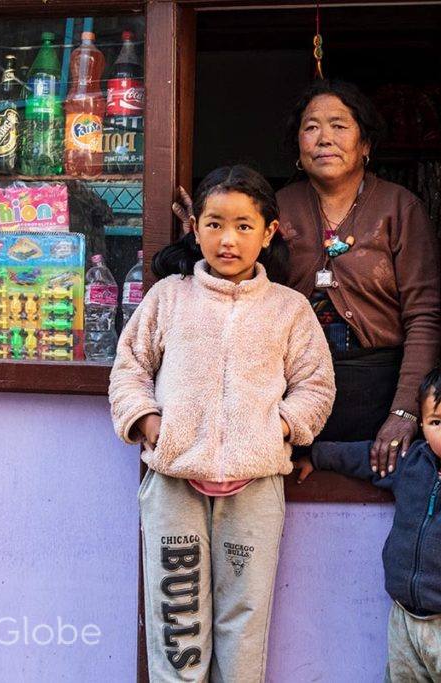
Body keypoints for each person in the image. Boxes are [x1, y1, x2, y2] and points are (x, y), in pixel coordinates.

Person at [110, 165, 335, 681]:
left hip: (254, 487)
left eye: (243, 225)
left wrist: (275, 430)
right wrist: (149, 424)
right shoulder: (169, 298)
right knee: (176, 622)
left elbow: (316, 388)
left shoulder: (289, 310)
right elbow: (130, 369)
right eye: (214, 224)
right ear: (196, 228)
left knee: (244, 620)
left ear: (268, 232)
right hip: (174, 482)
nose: (227, 239)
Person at [175, 79, 441, 477]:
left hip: (376, 396)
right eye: (311, 126)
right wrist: (197, 242)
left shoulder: (400, 209)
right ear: (298, 145)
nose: (324, 138)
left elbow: (424, 318)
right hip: (286, 399)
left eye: (339, 125)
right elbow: (235, 287)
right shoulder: (274, 208)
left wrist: (405, 411)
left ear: (366, 144)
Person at [296, 360, 441, 682]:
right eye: (435, 422)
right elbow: (367, 458)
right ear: (423, 427)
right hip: (406, 617)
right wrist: (316, 456)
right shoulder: (413, 463)